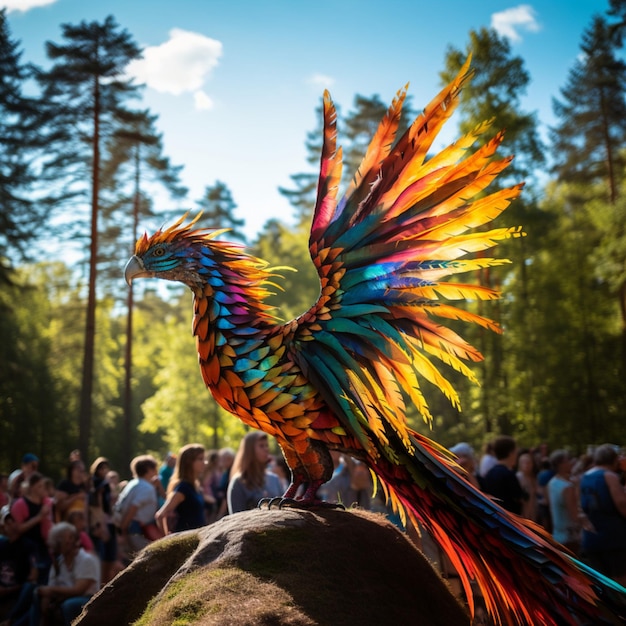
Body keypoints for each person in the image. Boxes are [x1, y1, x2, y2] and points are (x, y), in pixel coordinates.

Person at [25, 521, 100, 626]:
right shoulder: (58, 563)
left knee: (69, 605)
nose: (67, 542)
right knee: (37, 594)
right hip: (62, 597)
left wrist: (51, 590)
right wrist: (47, 596)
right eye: (62, 539)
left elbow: (79, 590)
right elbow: (51, 586)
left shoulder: (86, 560)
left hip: (87, 598)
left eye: (70, 538)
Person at [579, 444, 626, 585]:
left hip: (592, 536)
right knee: (620, 580)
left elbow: (581, 505)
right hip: (613, 537)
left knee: (601, 582)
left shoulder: (585, 476)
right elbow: (621, 504)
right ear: (613, 459)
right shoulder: (609, 476)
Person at [10, 472, 54, 584]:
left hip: (45, 549)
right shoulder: (20, 504)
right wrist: (39, 517)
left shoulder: (46, 503)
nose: (44, 489)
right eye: (40, 486)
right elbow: (18, 529)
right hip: (27, 552)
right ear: (34, 487)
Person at [115, 455, 160, 559]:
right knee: (148, 561)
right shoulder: (147, 488)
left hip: (132, 529)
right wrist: (123, 530)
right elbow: (133, 507)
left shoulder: (133, 483)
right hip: (138, 531)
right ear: (149, 470)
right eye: (154, 468)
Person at [156, 444, 207, 534]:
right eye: (200, 459)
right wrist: (166, 539)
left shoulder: (195, 485)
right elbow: (160, 515)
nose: (205, 462)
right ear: (188, 462)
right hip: (186, 538)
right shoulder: (183, 487)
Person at [227, 432, 283, 514]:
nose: (266, 449)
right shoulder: (239, 482)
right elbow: (235, 518)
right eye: (261, 446)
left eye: (266, 445)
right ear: (249, 451)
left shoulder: (274, 479)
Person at [0, 507, 37, 623]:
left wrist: (8, 589)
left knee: (30, 588)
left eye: (13, 521)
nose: (11, 526)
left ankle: (10, 620)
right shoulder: (1, 546)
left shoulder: (29, 546)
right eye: (8, 523)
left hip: (18, 592)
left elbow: (33, 577)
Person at [88, 457, 120, 584]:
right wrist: (103, 525)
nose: (104, 470)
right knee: (103, 557)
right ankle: (101, 585)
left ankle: (105, 585)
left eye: (105, 468)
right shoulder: (98, 483)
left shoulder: (104, 483)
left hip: (108, 520)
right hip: (101, 522)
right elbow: (99, 505)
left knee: (110, 557)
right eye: (101, 468)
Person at [547, 450, 582, 554]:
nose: (571, 463)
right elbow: (575, 516)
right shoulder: (567, 487)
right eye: (568, 461)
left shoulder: (552, 482)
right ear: (561, 464)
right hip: (570, 537)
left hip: (557, 534)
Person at [482, 436, 525, 515]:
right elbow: (519, 498)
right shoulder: (509, 475)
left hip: (494, 517)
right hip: (510, 519)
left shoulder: (489, 474)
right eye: (515, 452)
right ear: (510, 453)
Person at [516, 451, 538, 521]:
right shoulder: (518, 477)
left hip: (533, 511)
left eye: (529, 463)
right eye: (524, 463)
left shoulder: (533, 478)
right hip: (523, 513)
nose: (526, 465)